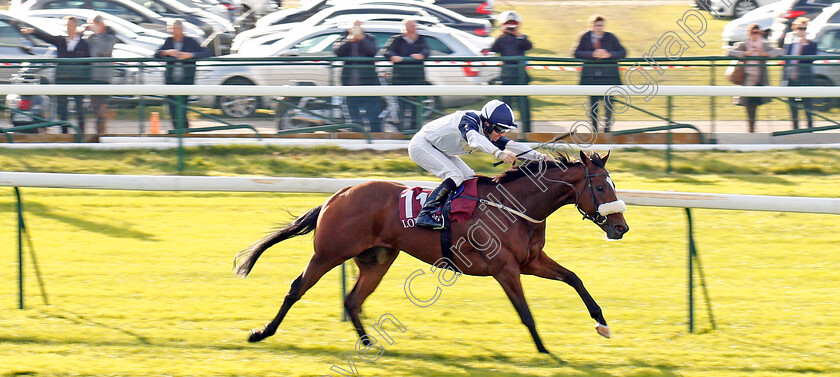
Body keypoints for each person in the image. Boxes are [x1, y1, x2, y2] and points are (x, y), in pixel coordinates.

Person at [408, 99, 549, 229]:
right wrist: (499, 153)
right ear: (487, 123)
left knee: (470, 178)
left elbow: (512, 145)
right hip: (422, 145)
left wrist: (540, 157)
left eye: (505, 130)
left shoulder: (489, 130)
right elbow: (474, 138)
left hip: (439, 149)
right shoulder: (469, 120)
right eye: (500, 129)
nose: (502, 134)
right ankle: (425, 214)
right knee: (455, 175)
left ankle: (454, 213)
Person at [21, 17, 90, 134]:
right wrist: (33, 31)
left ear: (76, 27)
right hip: (62, 78)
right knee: (62, 108)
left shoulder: (84, 44)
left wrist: (86, 79)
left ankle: (81, 133)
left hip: (78, 79)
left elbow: (88, 62)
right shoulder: (61, 40)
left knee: (79, 107)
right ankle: (64, 133)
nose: (69, 28)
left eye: (71, 26)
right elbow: (47, 37)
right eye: (67, 26)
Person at [573, 15, 626, 133]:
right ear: (592, 25)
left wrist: (609, 54)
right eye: (597, 25)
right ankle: (595, 130)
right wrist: (592, 54)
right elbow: (576, 53)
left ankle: (607, 129)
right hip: (591, 77)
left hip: (609, 77)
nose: (599, 27)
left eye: (601, 25)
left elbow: (622, 52)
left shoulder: (611, 37)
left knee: (609, 104)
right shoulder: (585, 37)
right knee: (593, 104)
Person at [155, 19, 211, 129]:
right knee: (172, 105)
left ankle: (184, 130)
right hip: (171, 79)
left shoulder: (191, 41)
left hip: (186, 79)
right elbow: (156, 54)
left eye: (175, 29)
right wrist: (167, 52)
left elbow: (206, 53)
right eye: (171, 29)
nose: (172, 31)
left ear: (181, 29)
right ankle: (176, 130)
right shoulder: (168, 42)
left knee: (183, 106)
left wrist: (190, 55)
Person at [728, 23, 782, 133]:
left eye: (757, 32)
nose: (755, 35)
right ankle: (751, 130)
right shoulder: (743, 45)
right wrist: (745, 54)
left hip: (759, 80)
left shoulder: (764, 44)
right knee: (749, 107)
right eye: (753, 32)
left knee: (755, 106)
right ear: (749, 33)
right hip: (746, 80)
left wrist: (765, 54)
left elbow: (779, 51)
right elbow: (729, 52)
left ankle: (752, 129)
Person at [333, 20, 383, 132]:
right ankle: (357, 136)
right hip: (350, 83)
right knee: (353, 115)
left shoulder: (369, 38)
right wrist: (349, 40)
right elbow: (337, 51)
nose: (356, 29)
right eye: (354, 27)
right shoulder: (344, 37)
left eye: (358, 27)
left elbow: (372, 51)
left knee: (373, 114)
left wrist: (362, 39)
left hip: (368, 84)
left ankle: (376, 137)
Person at [383, 19, 429, 132]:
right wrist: (393, 57)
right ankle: (402, 129)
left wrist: (421, 55)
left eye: (415, 26)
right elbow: (387, 51)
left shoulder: (421, 39)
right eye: (412, 26)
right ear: (406, 28)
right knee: (401, 104)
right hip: (400, 77)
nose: (415, 29)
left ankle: (415, 129)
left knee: (416, 105)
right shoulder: (397, 40)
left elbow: (427, 51)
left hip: (417, 77)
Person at [491, 10, 533, 132]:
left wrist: (518, 35)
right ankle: (504, 132)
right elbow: (494, 49)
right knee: (505, 106)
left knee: (524, 106)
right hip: (506, 76)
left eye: (513, 24)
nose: (511, 26)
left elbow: (528, 45)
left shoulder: (522, 37)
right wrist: (501, 34)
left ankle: (527, 132)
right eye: (508, 24)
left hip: (520, 76)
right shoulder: (501, 38)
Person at [84, 15, 118, 136]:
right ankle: (97, 133)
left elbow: (104, 51)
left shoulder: (110, 37)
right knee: (95, 107)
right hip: (93, 76)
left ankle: (102, 132)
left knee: (102, 107)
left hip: (104, 77)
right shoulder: (91, 37)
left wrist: (97, 35)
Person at [782, 17, 816, 129]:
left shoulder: (811, 44)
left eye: (804, 28)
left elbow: (810, 59)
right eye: (799, 28)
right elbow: (786, 61)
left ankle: (810, 128)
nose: (801, 30)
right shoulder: (790, 44)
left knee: (807, 105)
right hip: (792, 79)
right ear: (795, 29)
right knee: (793, 106)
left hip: (805, 79)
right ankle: (795, 128)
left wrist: (804, 43)